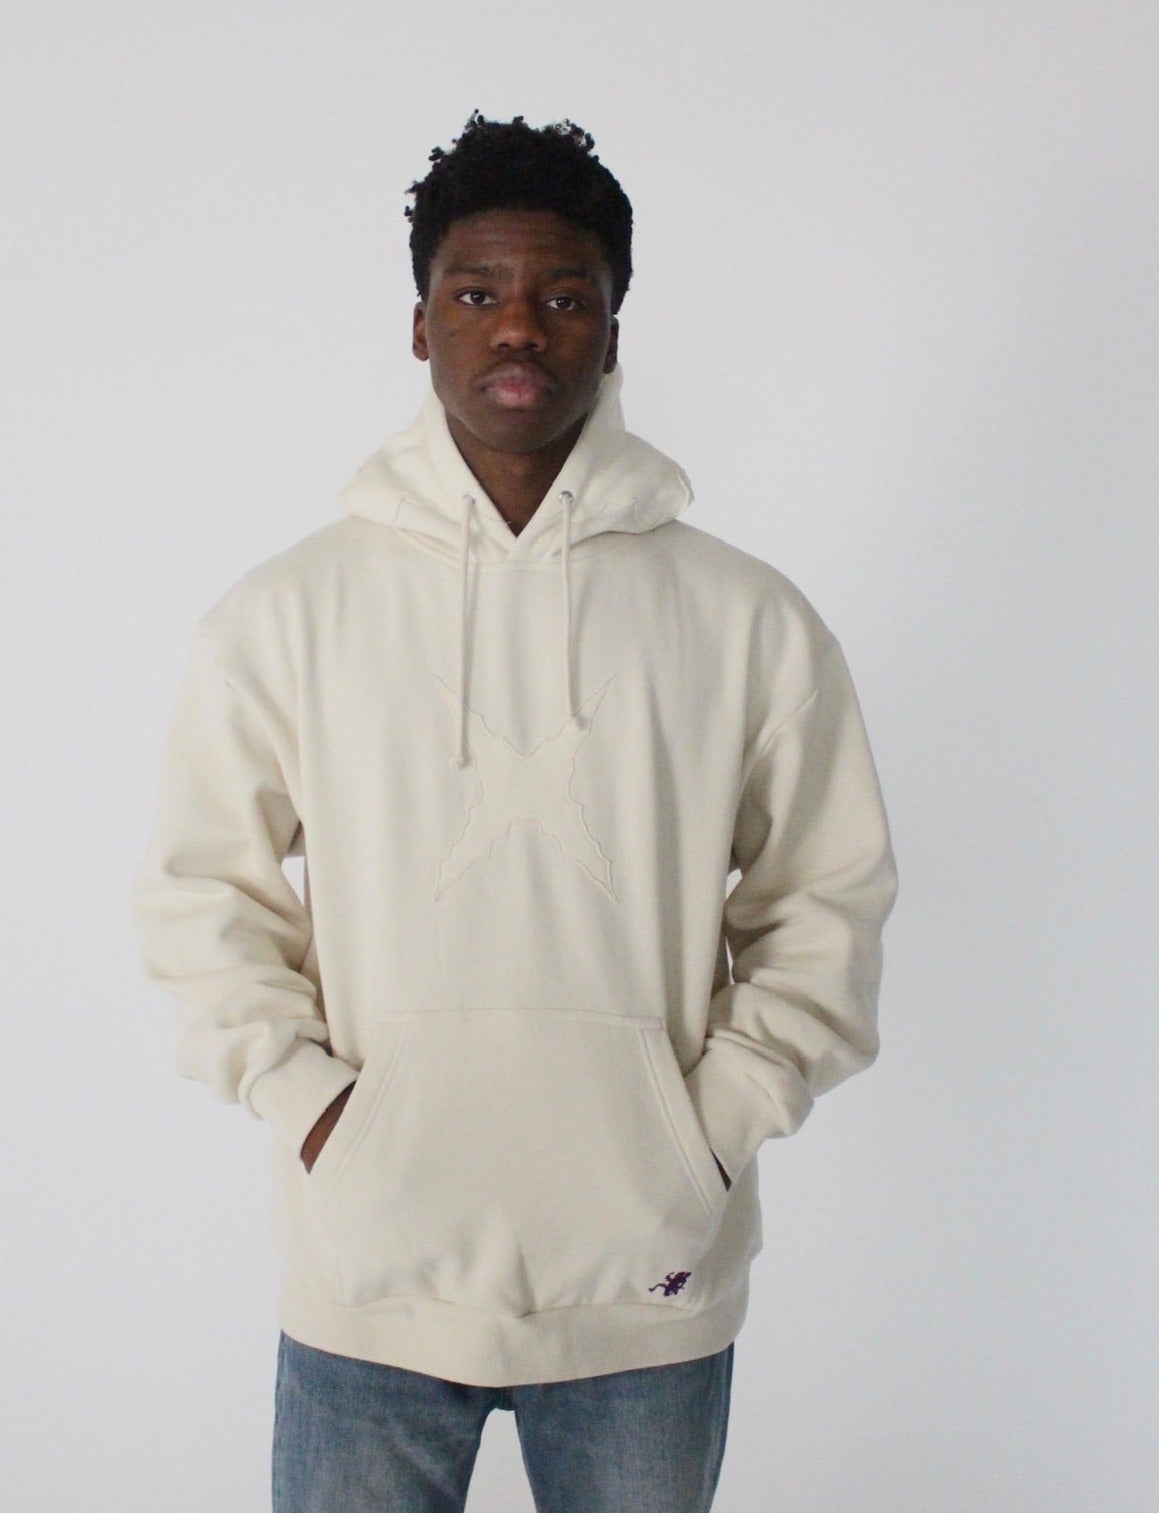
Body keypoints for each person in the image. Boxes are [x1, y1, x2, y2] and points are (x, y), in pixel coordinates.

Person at [130, 109, 899, 1513]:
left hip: (647, 1289)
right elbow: (200, 900)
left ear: (612, 328)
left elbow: (826, 901)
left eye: (563, 296)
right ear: (420, 324)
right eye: (477, 292)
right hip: (371, 1277)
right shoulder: (287, 613)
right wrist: (320, 1116)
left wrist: (706, 1133)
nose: (519, 330)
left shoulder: (747, 620)